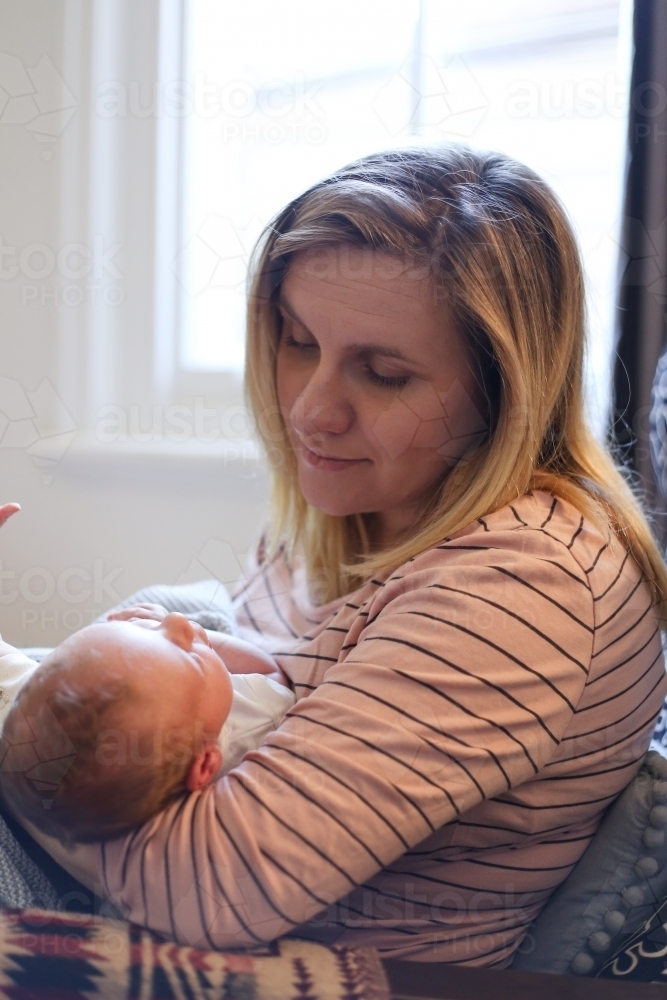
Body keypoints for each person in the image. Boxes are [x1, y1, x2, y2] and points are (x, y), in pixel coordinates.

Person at [5, 145, 667, 967]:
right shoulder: (351, 514)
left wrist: (24, 747)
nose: (312, 412)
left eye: (383, 374)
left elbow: (219, 884)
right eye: (295, 340)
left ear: (504, 392)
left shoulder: (523, 585)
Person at [0, 607, 294, 842]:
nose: (177, 620)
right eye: (192, 658)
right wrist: (210, 639)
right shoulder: (256, 719)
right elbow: (274, 674)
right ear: (204, 766)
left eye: (139, 629)